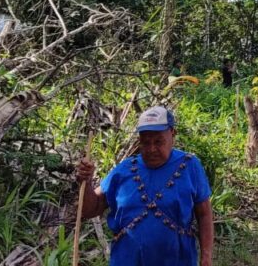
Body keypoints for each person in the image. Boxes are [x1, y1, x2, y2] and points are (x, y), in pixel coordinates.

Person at [75, 106, 212, 266]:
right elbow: (91, 210)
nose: (152, 149)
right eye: (146, 142)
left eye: (158, 141)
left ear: (172, 134)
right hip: (127, 260)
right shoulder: (124, 170)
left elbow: (204, 214)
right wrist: (86, 182)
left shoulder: (189, 166)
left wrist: (206, 257)